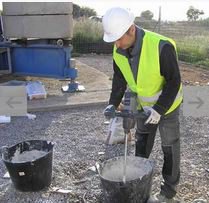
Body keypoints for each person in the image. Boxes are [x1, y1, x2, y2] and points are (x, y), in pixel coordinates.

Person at [102, 7, 183, 203]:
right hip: (143, 105)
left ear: (132, 29)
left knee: (169, 147)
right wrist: (113, 104)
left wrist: (159, 110)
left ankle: (169, 191)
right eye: (114, 39)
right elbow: (119, 78)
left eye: (119, 38)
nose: (117, 44)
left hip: (167, 106)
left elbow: (174, 81)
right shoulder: (119, 48)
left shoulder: (161, 46)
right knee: (142, 143)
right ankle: (137, 184)